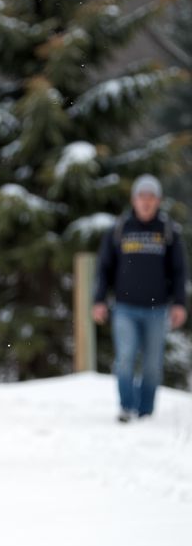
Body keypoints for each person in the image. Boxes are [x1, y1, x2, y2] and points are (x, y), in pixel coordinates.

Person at [92, 174, 187, 422]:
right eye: (141, 196)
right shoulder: (119, 229)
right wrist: (99, 300)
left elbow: (179, 271)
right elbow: (104, 268)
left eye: (151, 197)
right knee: (125, 359)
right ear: (134, 199)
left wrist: (179, 303)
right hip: (124, 308)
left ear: (158, 200)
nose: (146, 202)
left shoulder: (168, 231)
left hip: (157, 311)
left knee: (152, 367)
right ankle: (126, 407)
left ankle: (145, 412)